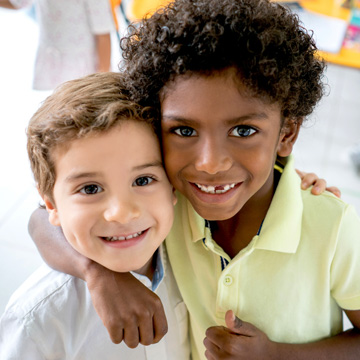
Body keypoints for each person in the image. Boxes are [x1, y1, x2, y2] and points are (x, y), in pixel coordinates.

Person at [28, 0, 360, 359]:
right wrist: (99, 275)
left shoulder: (333, 227)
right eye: (184, 130)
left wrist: (278, 355)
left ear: (286, 135)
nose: (211, 164)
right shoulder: (168, 204)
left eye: (244, 130)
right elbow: (41, 220)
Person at [0, 72, 190, 360]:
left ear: (172, 186)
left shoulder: (194, 254)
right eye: (90, 188)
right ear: (51, 205)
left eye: (143, 180)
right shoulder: (37, 322)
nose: (122, 212)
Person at [0, 0, 114, 90]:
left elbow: (103, 35)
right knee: (60, 107)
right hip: (54, 58)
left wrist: (102, 79)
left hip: (83, 65)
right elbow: (17, 3)